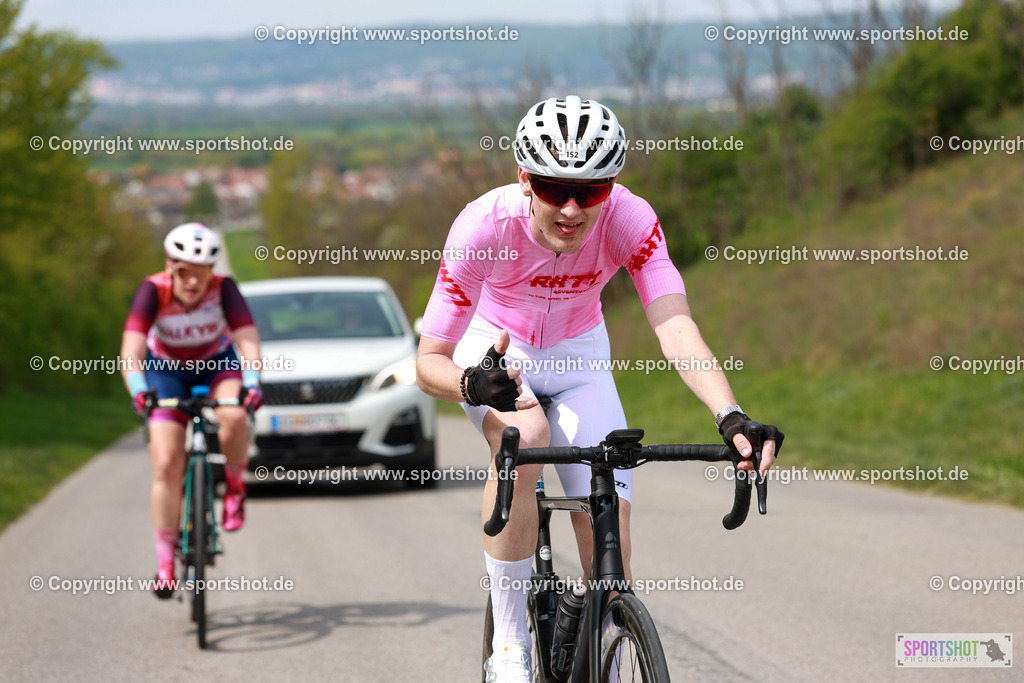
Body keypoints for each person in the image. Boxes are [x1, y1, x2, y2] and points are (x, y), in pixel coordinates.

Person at [415, 96, 783, 681]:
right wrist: (469, 382)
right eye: (551, 187)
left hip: (581, 356)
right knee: (526, 436)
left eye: (588, 191)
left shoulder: (632, 221)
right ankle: (509, 644)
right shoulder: (482, 225)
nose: (569, 208)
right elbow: (427, 360)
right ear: (523, 178)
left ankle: (606, 649)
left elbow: (676, 326)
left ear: (610, 187)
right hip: (494, 352)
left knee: (607, 528)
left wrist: (730, 415)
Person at [120, 222, 264, 599]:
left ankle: (233, 487)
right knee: (166, 463)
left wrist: (252, 383)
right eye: (184, 271)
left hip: (217, 364)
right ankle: (166, 564)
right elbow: (132, 350)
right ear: (170, 266)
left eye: (201, 273)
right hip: (165, 371)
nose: (192, 282)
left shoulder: (224, 290)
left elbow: (247, 340)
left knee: (233, 416)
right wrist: (139, 391)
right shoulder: (153, 290)